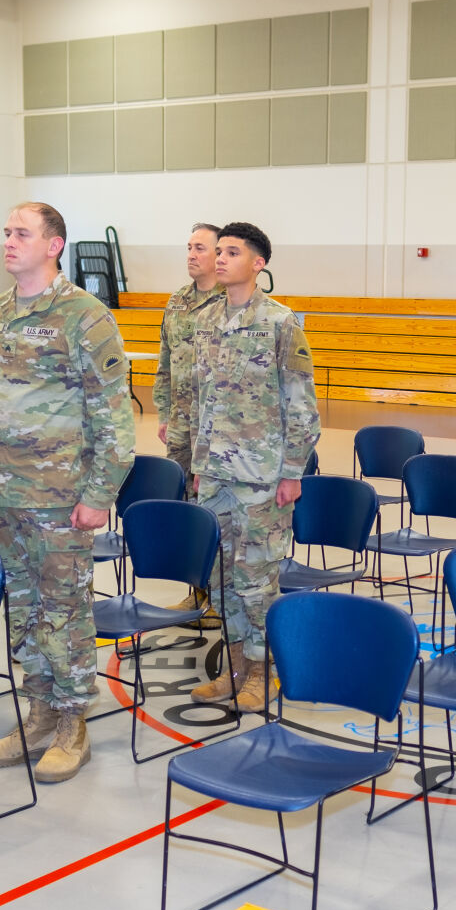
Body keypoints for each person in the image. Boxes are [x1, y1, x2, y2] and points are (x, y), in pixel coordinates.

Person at [0, 202, 135, 782]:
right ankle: (38, 715)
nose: (9, 241)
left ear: (54, 245)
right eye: (6, 231)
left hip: (61, 495)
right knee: (23, 609)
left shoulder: (83, 315)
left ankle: (73, 725)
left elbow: (114, 415)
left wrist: (99, 492)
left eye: (21, 233)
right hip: (8, 493)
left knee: (64, 612)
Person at [184, 222, 320, 715]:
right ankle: (236, 666)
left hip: (262, 477)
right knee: (221, 575)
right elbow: (202, 399)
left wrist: (292, 471)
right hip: (215, 474)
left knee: (257, 579)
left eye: (232, 252)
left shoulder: (282, 323)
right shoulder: (206, 321)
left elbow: (302, 404)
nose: (219, 259)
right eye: (217, 250)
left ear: (258, 264)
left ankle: (265, 671)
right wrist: (199, 464)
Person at [153, 223, 225, 614]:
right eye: (188, 247)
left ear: (219, 254)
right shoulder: (177, 301)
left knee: (212, 509)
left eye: (200, 247)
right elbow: (165, 362)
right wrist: (163, 411)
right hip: (180, 425)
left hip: (214, 429)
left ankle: (218, 598)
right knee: (184, 507)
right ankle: (196, 592)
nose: (191, 254)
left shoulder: (230, 301)